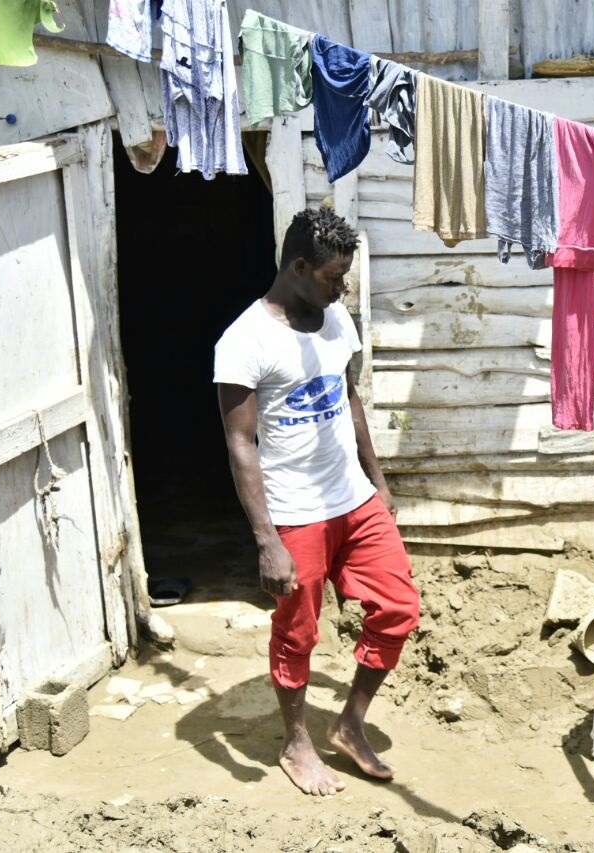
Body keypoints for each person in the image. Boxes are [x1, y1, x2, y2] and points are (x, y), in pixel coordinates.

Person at [215, 207, 420, 796]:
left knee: (399, 608)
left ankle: (350, 724)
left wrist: (376, 479)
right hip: (295, 512)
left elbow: (349, 396)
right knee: (298, 633)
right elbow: (240, 442)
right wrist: (267, 540)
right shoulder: (244, 341)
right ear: (299, 267)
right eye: (334, 277)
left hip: (353, 500)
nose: (343, 287)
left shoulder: (336, 321)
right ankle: (296, 741)